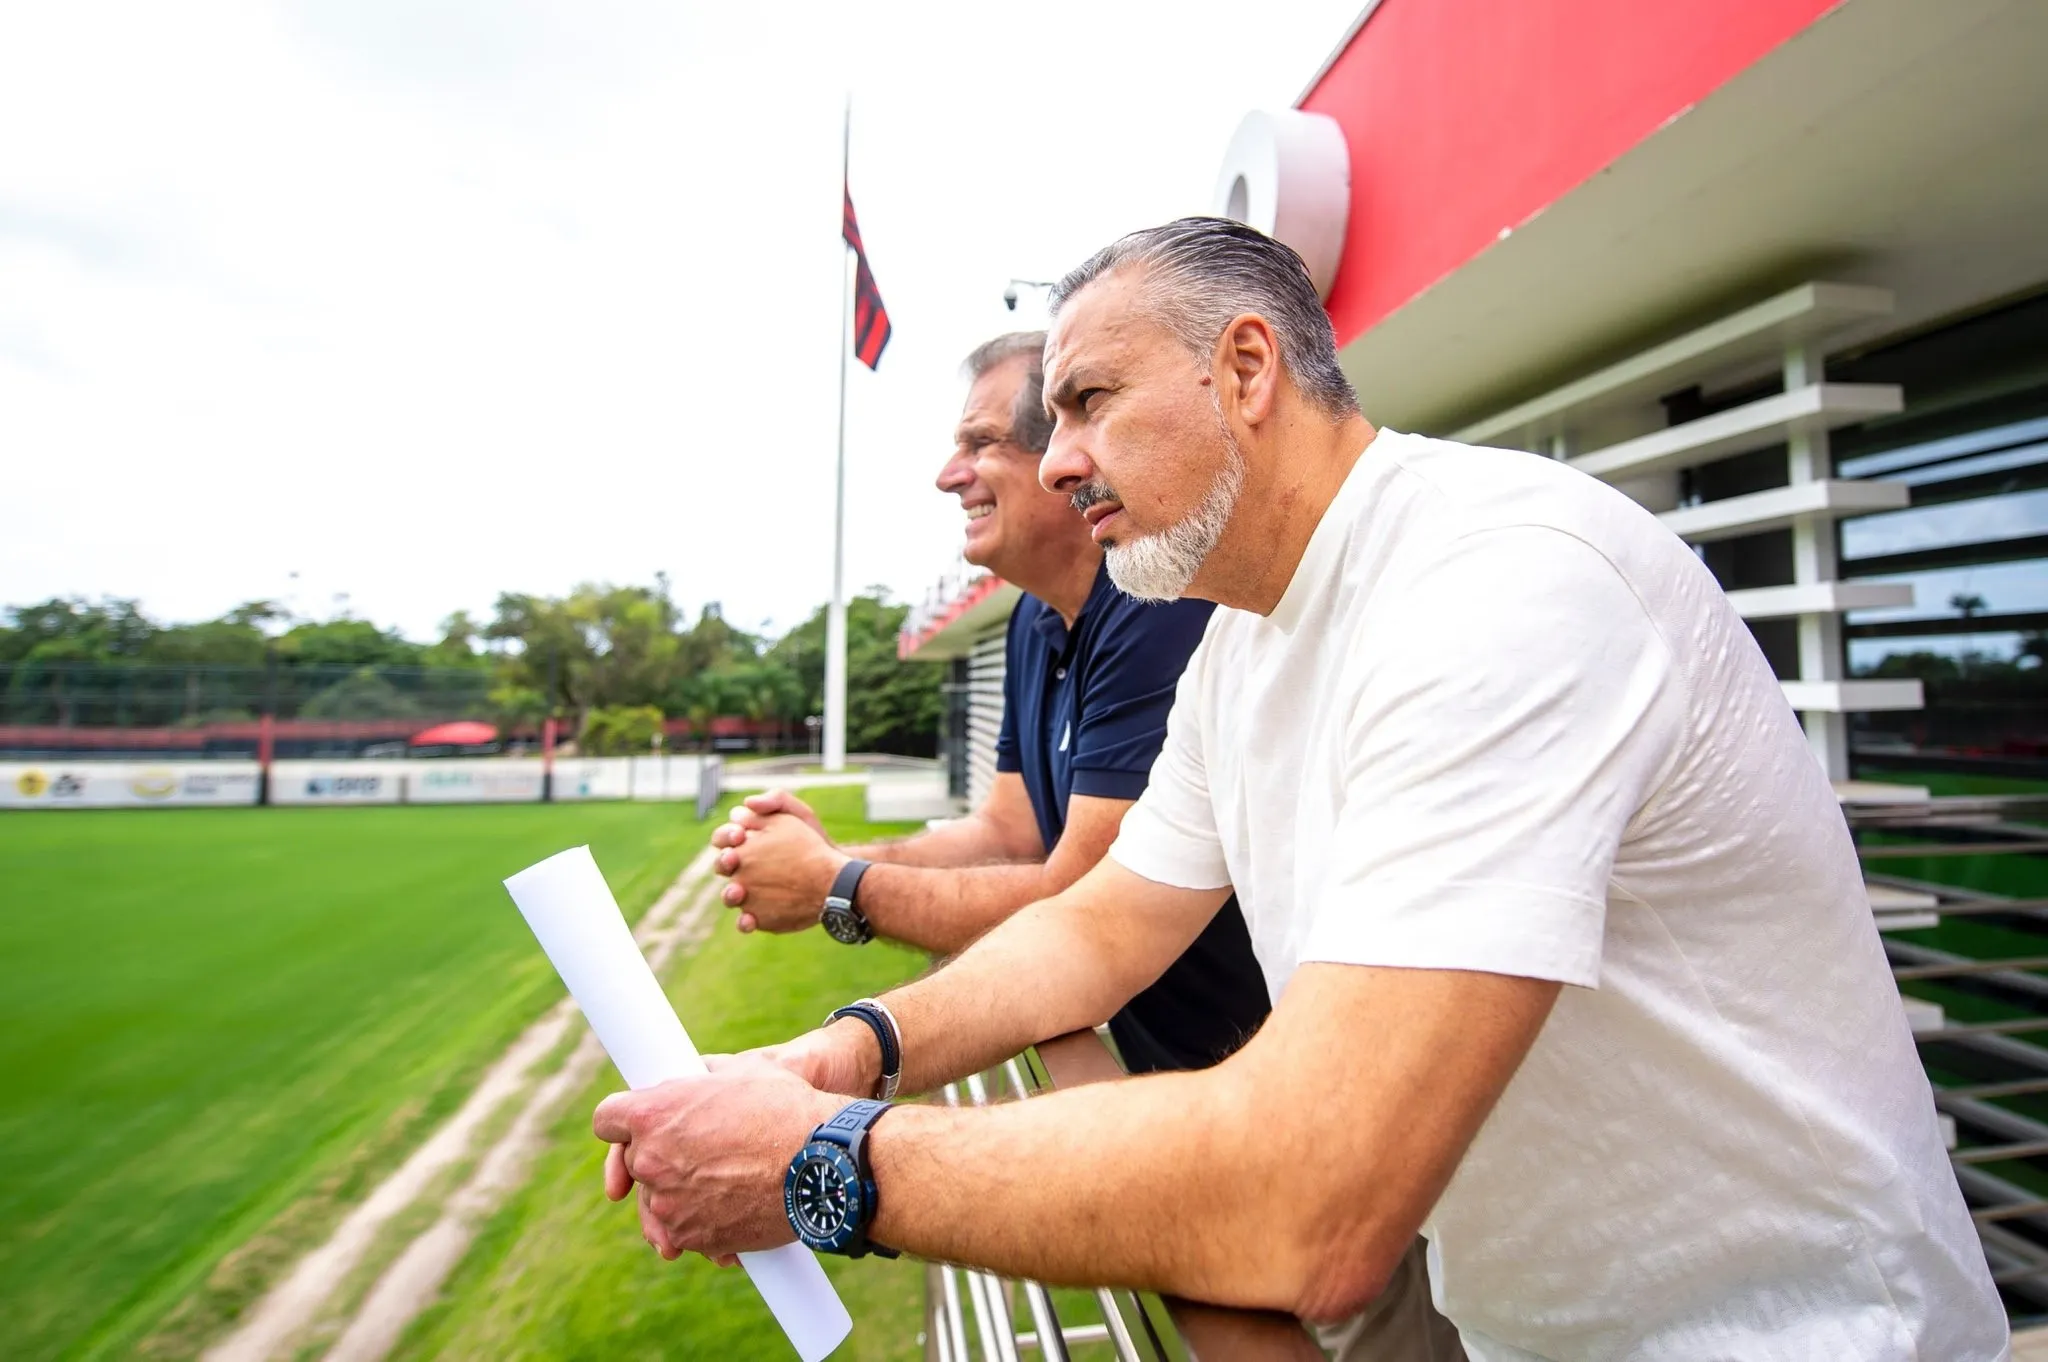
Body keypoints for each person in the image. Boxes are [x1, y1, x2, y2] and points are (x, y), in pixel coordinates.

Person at [592, 219, 2007, 1361]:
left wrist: (826, 1162)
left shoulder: (1499, 583)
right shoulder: (1245, 636)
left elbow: (1310, 1199)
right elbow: (1098, 927)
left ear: (1248, 367)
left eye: (1086, 401)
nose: (1059, 455)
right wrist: (847, 1053)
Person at [710, 330, 1270, 1076]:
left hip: (1250, 1083)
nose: (949, 476)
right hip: (1162, 1069)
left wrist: (834, 887)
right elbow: (1009, 829)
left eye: (981, 443)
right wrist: (833, 858)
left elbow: (1076, 894)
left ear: (1066, 459)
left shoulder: (1156, 606)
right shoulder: (1032, 621)